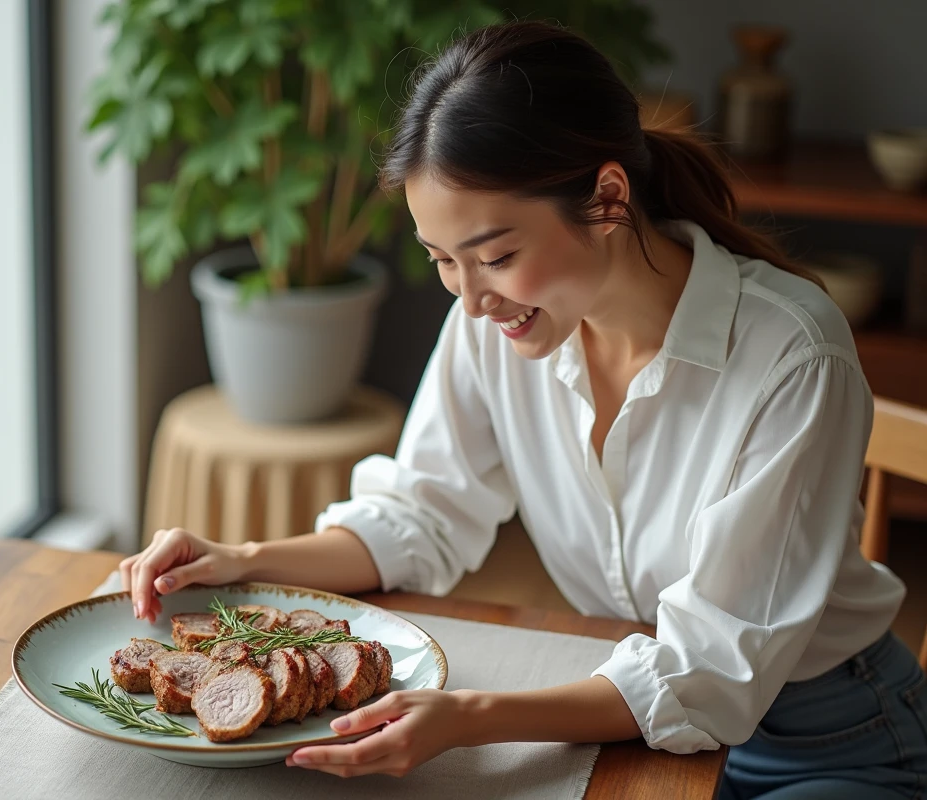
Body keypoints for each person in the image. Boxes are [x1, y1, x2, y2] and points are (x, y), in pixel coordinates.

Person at [120, 19, 927, 799]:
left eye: (497, 256)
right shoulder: (501, 325)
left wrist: (467, 719)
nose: (471, 301)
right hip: (636, 719)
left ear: (608, 197)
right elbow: (422, 513)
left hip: (828, 738)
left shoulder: (793, 352)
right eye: (443, 261)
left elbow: (710, 669)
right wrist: (242, 559)